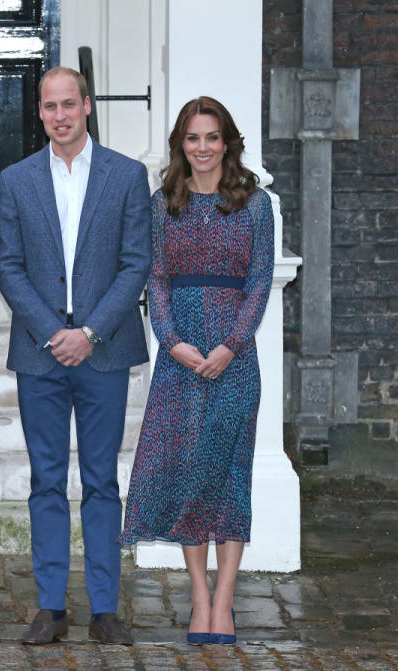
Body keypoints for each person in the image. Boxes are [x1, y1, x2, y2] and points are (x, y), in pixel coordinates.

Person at [0, 66, 151, 645]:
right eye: (49, 107)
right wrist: (49, 331)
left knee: (103, 480)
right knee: (47, 480)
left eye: (69, 104)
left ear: (87, 105)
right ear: (40, 112)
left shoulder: (127, 175)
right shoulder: (14, 179)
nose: (59, 116)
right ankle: (51, 605)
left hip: (103, 351)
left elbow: (136, 261)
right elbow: (6, 264)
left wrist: (89, 331)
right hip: (40, 353)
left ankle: (105, 606)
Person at [119, 96, 274, 646]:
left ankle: (225, 601)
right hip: (180, 359)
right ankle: (199, 598)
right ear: (180, 145)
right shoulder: (165, 203)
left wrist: (232, 344)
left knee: (229, 476)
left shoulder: (255, 204)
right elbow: (155, 279)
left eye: (212, 137)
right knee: (186, 473)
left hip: (235, 360)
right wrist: (172, 340)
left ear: (228, 142)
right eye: (193, 138)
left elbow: (260, 281)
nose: (203, 148)